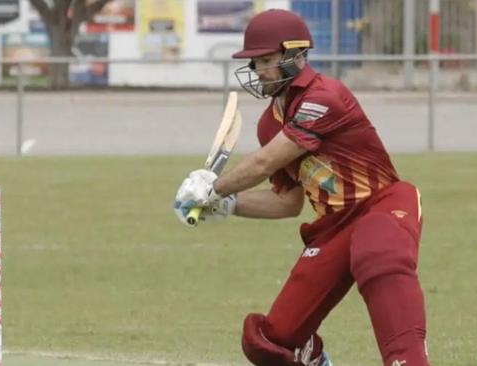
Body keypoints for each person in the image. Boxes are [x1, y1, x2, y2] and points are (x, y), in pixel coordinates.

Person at [174, 9, 430, 366]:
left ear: (295, 56)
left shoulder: (324, 96)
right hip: (334, 226)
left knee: (376, 251)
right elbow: (288, 203)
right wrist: (229, 203)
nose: (257, 71)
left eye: (265, 60)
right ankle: (314, 358)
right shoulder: (269, 124)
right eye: (255, 61)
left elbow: (264, 163)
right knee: (270, 341)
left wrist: (214, 187)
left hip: (381, 204)